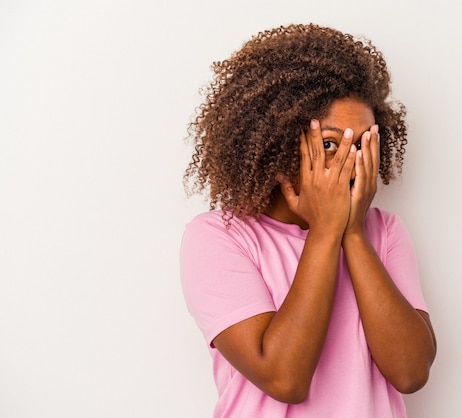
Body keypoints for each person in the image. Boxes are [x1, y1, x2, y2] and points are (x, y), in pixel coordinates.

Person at [179, 23, 436, 418]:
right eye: (330, 143)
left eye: (363, 144)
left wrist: (351, 232)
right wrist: (327, 230)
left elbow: (411, 372)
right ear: (278, 140)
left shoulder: (384, 232)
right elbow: (285, 379)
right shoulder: (219, 238)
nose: (350, 163)